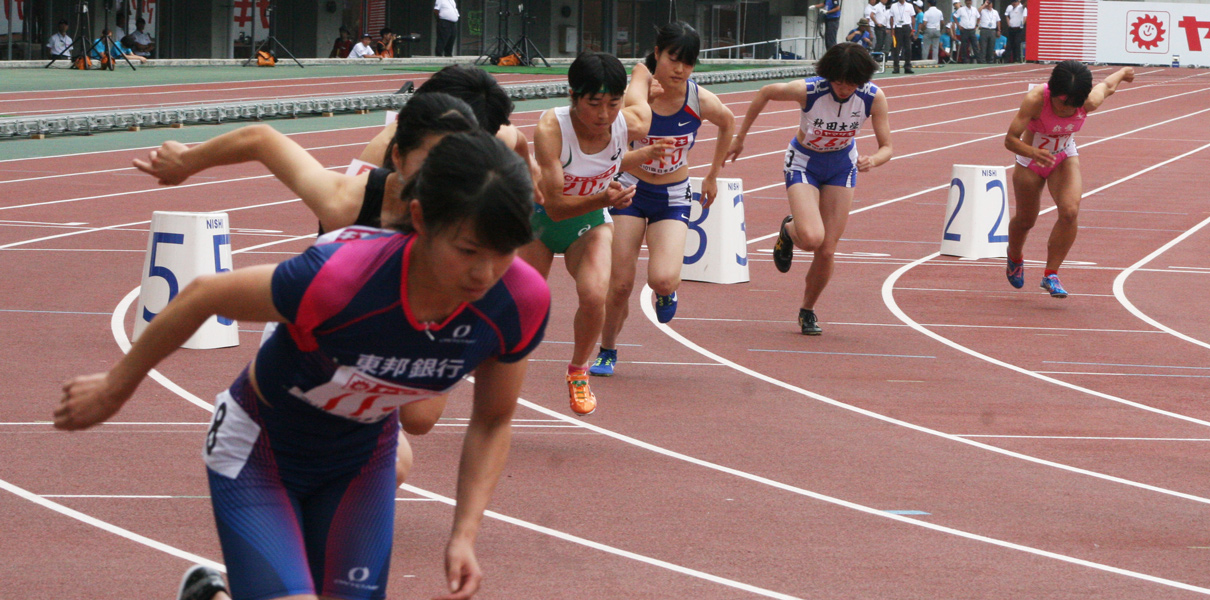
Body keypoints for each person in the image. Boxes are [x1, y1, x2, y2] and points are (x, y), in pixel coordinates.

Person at [58, 130, 549, 600]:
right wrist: (115, 387)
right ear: (419, 219)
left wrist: (464, 534)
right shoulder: (342, 280)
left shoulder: (519, 301)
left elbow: (493, 419)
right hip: (261, 453)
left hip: (361, 459)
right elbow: (206, 294)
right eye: (467, 251)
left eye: (504, 252)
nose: (485, 273)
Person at [593, 22, 735, 378]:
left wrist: (713, 174)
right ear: (657, 54)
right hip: (630, 189)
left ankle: (667, 294)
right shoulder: (636, 93)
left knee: (663, 279)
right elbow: (610, 139)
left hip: (673, 194)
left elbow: (728, 122)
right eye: (674, 59)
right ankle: (607, 349)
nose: (680, 69)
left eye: (689, 63)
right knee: (620, 284)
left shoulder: (697, 99)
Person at [726, 43, 893, 336]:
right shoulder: (810, 91)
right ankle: (789, 230)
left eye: (851, 83)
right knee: (812, 238)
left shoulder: (872, 97)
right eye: (838, 81)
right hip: (804, 162)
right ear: (828, 75)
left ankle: (807, 310)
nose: (843, 88)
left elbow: (887, 147)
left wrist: (874, 160)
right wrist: (740, 138)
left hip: (842, 165)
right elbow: (765, 92)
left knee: (827, 250)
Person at [521, 51, 653, 415]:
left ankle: (578, 372)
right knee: (524, 305)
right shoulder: (552, 128)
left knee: (596, 294)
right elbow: (555, 205)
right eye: (594, 103)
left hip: (590, 220)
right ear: (572, 95)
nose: (604, 115)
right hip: (541, 221)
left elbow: (639, 95)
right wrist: (604, 195)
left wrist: (646, 66)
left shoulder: (632, 122)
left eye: (613, 103)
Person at [1004, 62, 1134, 298]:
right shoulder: (1035, 99)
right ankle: (1014, 257)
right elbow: (1010, 140)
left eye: (1073, 105)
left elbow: (1107, 86)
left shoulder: (1089, 101)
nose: (1066, 109)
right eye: (1062, 103)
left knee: (1070, 211)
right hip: (1030, 160)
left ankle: (1050, 274)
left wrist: (1124, 73)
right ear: (1052, 93)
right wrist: (1033, 152)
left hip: (1063, 157)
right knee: (1026, 220)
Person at [888, 0, 916, 73]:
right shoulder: (893, 6)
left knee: (908, 48)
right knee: (896, 48)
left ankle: (907, 67)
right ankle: (896, 67)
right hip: (897, 28)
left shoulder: (909, 5)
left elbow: (912, 18)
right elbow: (891, 18)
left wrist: (912, 30)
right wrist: (892, 29)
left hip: (907, 27)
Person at [977, 0, 1000, 64]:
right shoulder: (983, 11)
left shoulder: (995, 12)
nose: (989, 5)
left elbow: (998, 21)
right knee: (983, 46)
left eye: (990, 3)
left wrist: (999, 30)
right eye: (988, 3)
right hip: (984, 29)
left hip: (992, 30)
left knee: (991, 46)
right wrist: (984, 5)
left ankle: (990, 61)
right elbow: (977, 11)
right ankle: (982, 61)